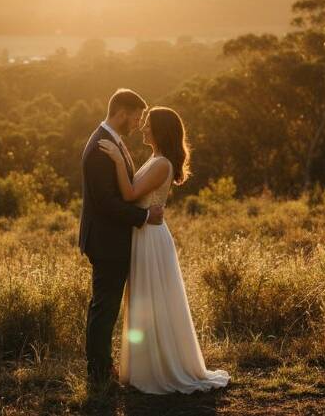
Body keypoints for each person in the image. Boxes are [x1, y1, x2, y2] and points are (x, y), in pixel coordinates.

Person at [98, 106, 230, 394]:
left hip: (151, 237)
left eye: (148, 124)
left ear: (160, 130)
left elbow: (131, 194)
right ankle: (146, 365)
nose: (143, 127)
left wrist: (118, 162)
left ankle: (161, 369)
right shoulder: (156, 158)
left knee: (153, 300)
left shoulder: (162, 164)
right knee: (145, 300)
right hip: (145, 232)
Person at [79, 88, 164, 390]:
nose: (137, 123)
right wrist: (143, 217)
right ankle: (99, 372)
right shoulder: (101, 146)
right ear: (121, 112)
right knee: (105, 307)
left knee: (107, 306)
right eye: (136, 117)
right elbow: (105, 202)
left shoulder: (112, 141)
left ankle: (102, 367)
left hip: (112, 239)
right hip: (106, 241)